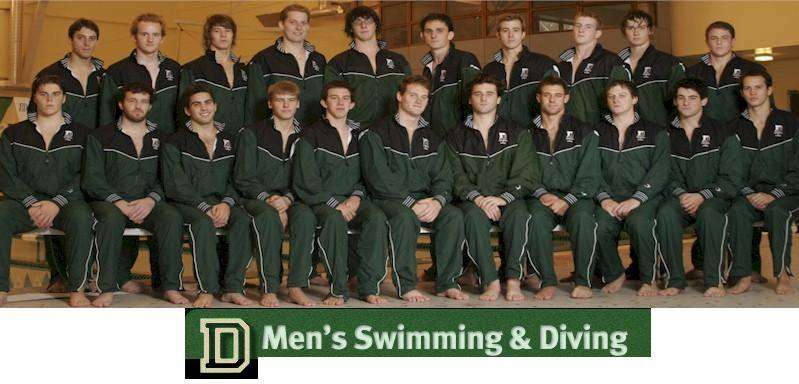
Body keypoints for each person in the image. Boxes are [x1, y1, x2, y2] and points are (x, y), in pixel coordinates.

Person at [359, 75, 467, 302]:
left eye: (424, 97)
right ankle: (406, 285)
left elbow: (443, 176)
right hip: (386, 199)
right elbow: (378, 178)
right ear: (399, 97)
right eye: (413, 95)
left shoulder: (433, 137)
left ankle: (447, 282)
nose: (419, 101)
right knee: (405, 217)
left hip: (424, 199)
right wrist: (410, 202)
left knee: (453, 216)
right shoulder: (377, 132)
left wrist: (437, 201)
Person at [82, 82, 187, 306]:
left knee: (171, 217)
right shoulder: (101, 136)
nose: (138, 106)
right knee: (109, 220)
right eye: (132, 100)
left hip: (149, 201)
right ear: (121, 104)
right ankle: (106, 287)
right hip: (110, 201)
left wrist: (151, 200)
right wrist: (117, 202)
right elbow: (92, 179)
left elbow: (169, 177)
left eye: (143, 102)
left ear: (149, 106)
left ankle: (170, 286)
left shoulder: (164, 137)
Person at [0, 75, 94, 307]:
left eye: (55, 94)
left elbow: (86, 174)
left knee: (82, 218)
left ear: (64, 98)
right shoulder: (14, 134)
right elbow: (5, 174)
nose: (49, 99)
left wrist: (57, 202)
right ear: (34, 97)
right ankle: (1, 287)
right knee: (0, 215)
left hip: (67, 202)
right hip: (25, 202)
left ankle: (77, 288)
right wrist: (31, 202)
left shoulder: (83, 134)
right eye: (43, 94)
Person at [292, 80, 388, 305]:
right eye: (334, 98)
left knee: (377, 217)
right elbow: (306, 179)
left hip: (354, 199)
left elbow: (368, 174)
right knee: (334, 220)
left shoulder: (361, 135)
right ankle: (337, 289)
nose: (340, 102)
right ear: (324, 102)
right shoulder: (311, 134)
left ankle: (368, 287)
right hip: (321, 201)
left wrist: (355, 197)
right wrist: (336, 203)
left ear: (352, 104)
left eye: (345, 98)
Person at [443, 74, 536, 301]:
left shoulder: (517, 132)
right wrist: (478, 198)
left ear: (498, 99)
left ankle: (513, 281)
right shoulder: (455, 136)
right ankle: (491, 281)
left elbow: (527, 173)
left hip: (508, 199)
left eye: (489, 94)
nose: (483, 98)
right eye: (478, 94)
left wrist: (503, 198)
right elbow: (454, 175)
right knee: (473, 218)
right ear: (470, 100)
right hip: (473, 200)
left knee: (520, 215)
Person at [686, 21, 767, 280]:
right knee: (704, 198)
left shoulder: (750, 69)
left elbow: (763, 106)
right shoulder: (695, 71)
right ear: (707, 41)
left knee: (743, 199)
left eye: (724, 37)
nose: (719, 42)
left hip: (742, 142)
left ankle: (750, 266)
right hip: (705, 144)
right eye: (713, 38)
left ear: (733, 40)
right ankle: (701, 264)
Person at [161, 84, 253, 308]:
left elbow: (238, 177)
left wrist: (226, 203)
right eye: (196, 104)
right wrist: (204, 207)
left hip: (223, 203)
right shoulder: (175, 141)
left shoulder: (230, 140)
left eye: (208, 103)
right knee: (202, 223)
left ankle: (232, 288)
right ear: (187, 110)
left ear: (215, 106)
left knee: (243, 220)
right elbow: (176, 184)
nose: (204, 108)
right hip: (188, 204)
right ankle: (207, 289)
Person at [29, 18, 104, 293]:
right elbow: (33, 118)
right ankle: (58, 274)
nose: (86, 43)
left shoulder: (104, 75)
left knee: (93, 214)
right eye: (81, 37)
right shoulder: (50, 73)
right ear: (71, 39)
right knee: (55, 209)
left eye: (91, 38)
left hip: (95, 155)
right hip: (60, 153)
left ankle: (95, 274)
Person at [656, 78, 745, 298]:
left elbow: (732, 178)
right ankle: (674, 279)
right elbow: (663, 174)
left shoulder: (722, 131)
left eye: (692, 98)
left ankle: (714, 280)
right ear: (675, 102)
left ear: (704, 101)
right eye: (681, 98)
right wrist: (683, 194)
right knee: (666, 212)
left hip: (714, 197)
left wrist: (702, 196)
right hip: (680, 197)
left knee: (709, 213)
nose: (686, 103)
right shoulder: (665, 135)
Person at [234, 81, 316, 307]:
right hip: (257, 198)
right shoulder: (252, 133)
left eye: (291, 100)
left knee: (306, 217)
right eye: (280, 100)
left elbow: (307, 178)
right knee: (268, 217)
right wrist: (269, 199)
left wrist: (288, 199)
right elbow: (243, 177)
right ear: (270, 103)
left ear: (298, 104)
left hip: (293, 197)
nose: (286, 105)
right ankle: (269, 287)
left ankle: (296, 286)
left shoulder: (307, 135)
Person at [526, 76, 600, 300]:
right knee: (535, 220)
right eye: (547, 95)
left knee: (584, 220)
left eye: (558, 95)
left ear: (566, 98)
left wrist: (567, 200)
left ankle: (583, 281)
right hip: (542, 196)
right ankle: (547, 280)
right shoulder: (527, 133)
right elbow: (525, 172)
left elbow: (590, 174)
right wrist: (542, 194)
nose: (552, 100)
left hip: (576, 196)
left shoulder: (583, 130)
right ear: (539, 98)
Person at [594, 80, 669, 296]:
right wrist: (604, 198)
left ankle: (649, 279)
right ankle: (615, 273)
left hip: (644, 197)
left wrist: (637, 198)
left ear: (634, 99)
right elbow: (591, 169)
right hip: (609, 197)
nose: (617, 100)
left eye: (622, 95)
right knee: (598, 225)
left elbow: (661, 170)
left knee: (641, 223)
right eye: (612, 96)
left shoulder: (655, 132)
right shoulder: (596, 132)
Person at [727, 69, 799, 296]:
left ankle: (783, 274)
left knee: (778, 211)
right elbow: (732, 169)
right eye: (747, 88)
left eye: (758, 87)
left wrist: (775, 194)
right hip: (750, 192)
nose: (753, 92)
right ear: (742, 93)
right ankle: (743, 275)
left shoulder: (790, 122)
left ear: (769, 90)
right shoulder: (734, 127)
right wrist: (748, 193)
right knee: (738, 210)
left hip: (788, 193)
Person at [325, 5, 411, 126]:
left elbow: (410, 95)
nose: (363, 25)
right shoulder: (339, 63)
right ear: (350, 28)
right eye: (357, 22)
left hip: (393, 130)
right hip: (355, 132)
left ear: (376, 25)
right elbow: (331, 101)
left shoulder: (399, 61)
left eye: (368, 21)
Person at [246, 4, 326, 127]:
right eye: (293, 22)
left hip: (314, 136)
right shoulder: (263, 59)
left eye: (303, 23)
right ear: (281, 25)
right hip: (277, 136)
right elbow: (254, 105)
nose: (299, 27)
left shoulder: (319, 59)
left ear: (308, 26)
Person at [99, 13, 181, 134]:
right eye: (144, 34)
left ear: (162, 38)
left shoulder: (175, 69)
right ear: (134, 37)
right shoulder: (117, 71)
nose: (150, 39)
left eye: (155, 34)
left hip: (168, 143)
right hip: (130, 145)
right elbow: (106, 116)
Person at [482, 14, 558, 129]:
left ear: (523, 34)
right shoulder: (489, 70)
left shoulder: (543, 64)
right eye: (505, 30)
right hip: (499, 138)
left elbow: (557, 102)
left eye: (515, 30)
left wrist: (536, 127)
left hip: (533, 136)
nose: (510, 35)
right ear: (498, 35)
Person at [179, 14, 248, 136]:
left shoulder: (244, 70)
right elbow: (182, 110)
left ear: (233, 35)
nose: (223, 35)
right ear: (209, 35)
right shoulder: (193, 69)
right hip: (207, 140)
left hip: (240, 141)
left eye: (228, 30)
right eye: (217, 31)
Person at [557, 12, 629, 125]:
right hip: (568, 135)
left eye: (588, 27)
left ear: (598, 33)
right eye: (578, 25)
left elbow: (624, 103)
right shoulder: (561, 66)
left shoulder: (611, 61)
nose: (581, 30)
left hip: (600, 133)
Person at [618, 10, 685, 126]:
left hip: (660, 132)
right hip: (626, 136)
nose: (636, 32)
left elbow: (682, 102)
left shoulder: (669, 63)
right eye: (630, 28)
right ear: (624, 32)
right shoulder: (615, 64)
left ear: (650, 30)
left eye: (641, 27)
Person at [418, 13, 481, 137]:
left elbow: (476, 103)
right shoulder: (426, 69)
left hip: (459, 139)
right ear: (422, 35)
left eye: (439, 31)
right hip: (434, 140)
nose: (433, 35)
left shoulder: (464, 59)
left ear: (450, 35)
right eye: (428, 31)